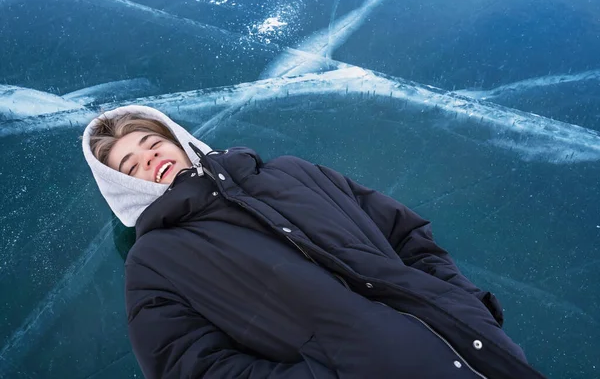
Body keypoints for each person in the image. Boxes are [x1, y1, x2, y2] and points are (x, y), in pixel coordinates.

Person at [82, 105, 546, 379]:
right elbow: (190, 366)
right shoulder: (155, 260)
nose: (149, 157)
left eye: (150, 142)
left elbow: (405, 234)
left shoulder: (290, 172)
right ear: (123, 188)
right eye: (130, 164)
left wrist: (460, 302)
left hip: (477, 347)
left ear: (178, 140)